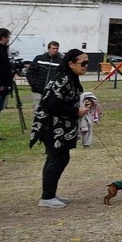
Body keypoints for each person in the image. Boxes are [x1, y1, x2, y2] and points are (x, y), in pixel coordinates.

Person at [31, 48, 93, 208]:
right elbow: (50, 104)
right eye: (83, 63)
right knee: (57, 158)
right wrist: (75, 111)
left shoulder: (71, 78)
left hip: (61, 127)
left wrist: (81, 104)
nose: (86, 66)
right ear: (71, 64)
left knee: (59, 158)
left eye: (88, 62)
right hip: (51, 126)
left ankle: (50, 193)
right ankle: (47, 197)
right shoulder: (63, 78)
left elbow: (68, 99)